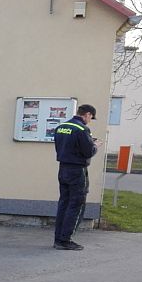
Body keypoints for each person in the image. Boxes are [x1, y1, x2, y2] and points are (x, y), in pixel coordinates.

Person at [52, 104, 100, 250]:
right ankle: (65, 239)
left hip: (63, 169)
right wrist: (95, 145)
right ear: (87, 114)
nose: (90, 120)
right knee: (76, 204)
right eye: (91, 117)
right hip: (77, 171)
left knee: (64, 203)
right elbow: (88, 152)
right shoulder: (82, 129)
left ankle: (58, 239)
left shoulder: (61, 127)